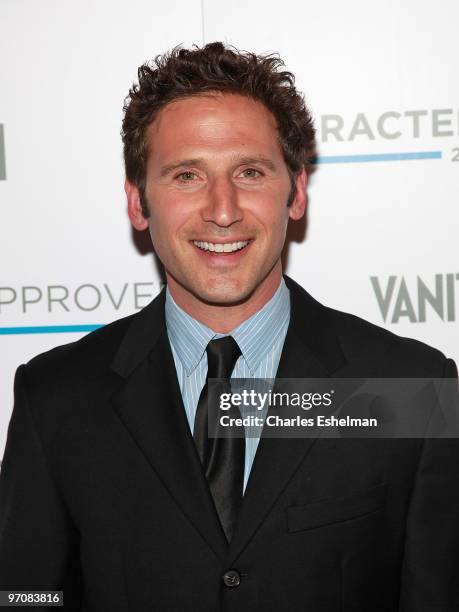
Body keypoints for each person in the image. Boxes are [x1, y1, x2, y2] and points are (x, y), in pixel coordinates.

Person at [0, 42, 458, 611]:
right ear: (139, 203)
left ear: (296, 192)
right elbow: (26, 596)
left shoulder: (411, 387)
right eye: (187, 175)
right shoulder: (55, 398)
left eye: (249, 171)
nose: (222, 209)